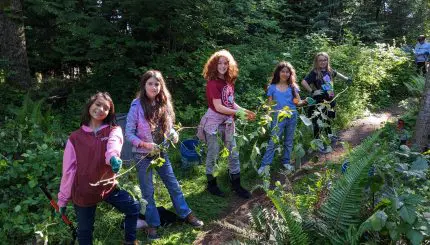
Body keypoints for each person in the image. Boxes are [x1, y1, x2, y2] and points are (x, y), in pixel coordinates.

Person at [125, 70, 203, 240]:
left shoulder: (163, 104)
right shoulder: (136, 105)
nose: (154, 87)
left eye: (157, 84)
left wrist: (174, 134)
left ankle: (185, 213)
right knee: (148, 192)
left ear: (161, 86)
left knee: (173, 185)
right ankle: (152, 224)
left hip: (161, 154)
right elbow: (129, 134)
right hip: (142, 156)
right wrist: (145, 144)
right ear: (144, 85)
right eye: (150, 83)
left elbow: (169, 128)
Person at [57, 92, 141, 245]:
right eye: (98, 104)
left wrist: (113, 158)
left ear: (110, 112)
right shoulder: (75, 138)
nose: (101, 109)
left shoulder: (113, 130)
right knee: (85, 231)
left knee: (133, 207)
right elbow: (68, 171)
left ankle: (129, 241)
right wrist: (62, 200)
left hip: (107, 187)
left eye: (106, 108)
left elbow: (113, 146)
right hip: (84, 191)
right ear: (90, 105)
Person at [197, 49, 256, 199]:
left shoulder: (228, 82)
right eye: (219, 63)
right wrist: (237, 113)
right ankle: (212, 185)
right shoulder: (212, 83)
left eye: (225, 63)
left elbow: (229, 102)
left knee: (233, 153)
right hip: (214, 122)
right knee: (214, 154)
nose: (223, 66)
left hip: (228, 120)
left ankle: (236, 185)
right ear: (214, 65)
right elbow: (218, 107)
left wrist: (245, 110)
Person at [257, 61, 307, 175]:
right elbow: (270, 105)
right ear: (278, 72)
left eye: (287, 72)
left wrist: (303, 101)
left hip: (292, 115)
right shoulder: (272, 87)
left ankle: (286, 162)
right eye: (283, 71)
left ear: (290, 74)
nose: (285, 74)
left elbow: (296, 102)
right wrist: (267, 118)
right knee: (273, 141)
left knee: (288, 141)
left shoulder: (293, 87)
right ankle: (265, 165)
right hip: (278, 117)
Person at [301, 52, 352, 152]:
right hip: (319, 102)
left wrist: (347, 79)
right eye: (320, 60)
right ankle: (317, 142)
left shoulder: (329, 70)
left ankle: (330, 136)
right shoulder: (315, 72)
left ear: (327, 61)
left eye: (325, 60)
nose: (323, 62)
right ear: (316, 61)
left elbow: (337, 74)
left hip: (330, 100)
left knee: (328, 118)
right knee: (318, 122)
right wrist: (312, 91)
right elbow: (303, 82)